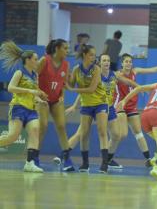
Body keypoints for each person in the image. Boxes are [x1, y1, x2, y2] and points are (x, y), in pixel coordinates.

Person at [59, 53, 138, 169]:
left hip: (109, 107)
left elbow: (129, 82)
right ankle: (62, 155)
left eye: (108, 60)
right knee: (81, 133)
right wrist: (74, 105)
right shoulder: (96, 75)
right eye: (104, 60)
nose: (106, 62)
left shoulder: (114, 75)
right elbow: (84, 92)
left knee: (116, 134)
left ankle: (108, 159)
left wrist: (140, 87)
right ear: (99, 62)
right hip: (95, 106)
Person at [115, 53, 157, 167]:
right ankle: (109, 157)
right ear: (122, 63)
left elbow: (153, 70)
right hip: (120, 104)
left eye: (130, 61)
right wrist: (140, 88)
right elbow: (129, 83)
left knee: (138, 132)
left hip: (131, 106)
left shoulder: (135, 71)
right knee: (122, 134)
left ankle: (148, 159)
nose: (128, 63)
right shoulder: (117, 74)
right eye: (126, 61)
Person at [0, 41, 48, 172]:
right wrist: (30, 91)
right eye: (35, 59)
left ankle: (29, 163)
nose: (38, 62)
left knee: (35, 131)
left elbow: (34, 92)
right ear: (28, 60)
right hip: (18, 107)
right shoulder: (19, 73)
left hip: (31, 109)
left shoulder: (35, 75)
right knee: (12, 137)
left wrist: (39, 99)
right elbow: (10, 88)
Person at [68, 44, 110, 173]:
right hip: (86, 105)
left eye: (94, 54)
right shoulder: (76, 69)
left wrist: (73, 89)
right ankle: (85, 163)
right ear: (85, 55)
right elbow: (69, 84)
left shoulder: (96, 69)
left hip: (100, 103)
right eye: (91, 54)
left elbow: (91, 89)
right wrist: (64, 77)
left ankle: (104, 163)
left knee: (102, 131)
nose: (94, 57)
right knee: (84, 134)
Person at [36, 39, 75, 172]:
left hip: (56, 99)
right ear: (57, 49)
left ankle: (67, 159)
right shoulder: (44, 60)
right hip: (42, 99)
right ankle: (34, 157)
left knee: (62, 126)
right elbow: (32, 77)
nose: (67, 51)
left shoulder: (66, 64)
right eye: (65, 48)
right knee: (43, 126)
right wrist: (37, 94)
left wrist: (62, 94)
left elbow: (62, 83)